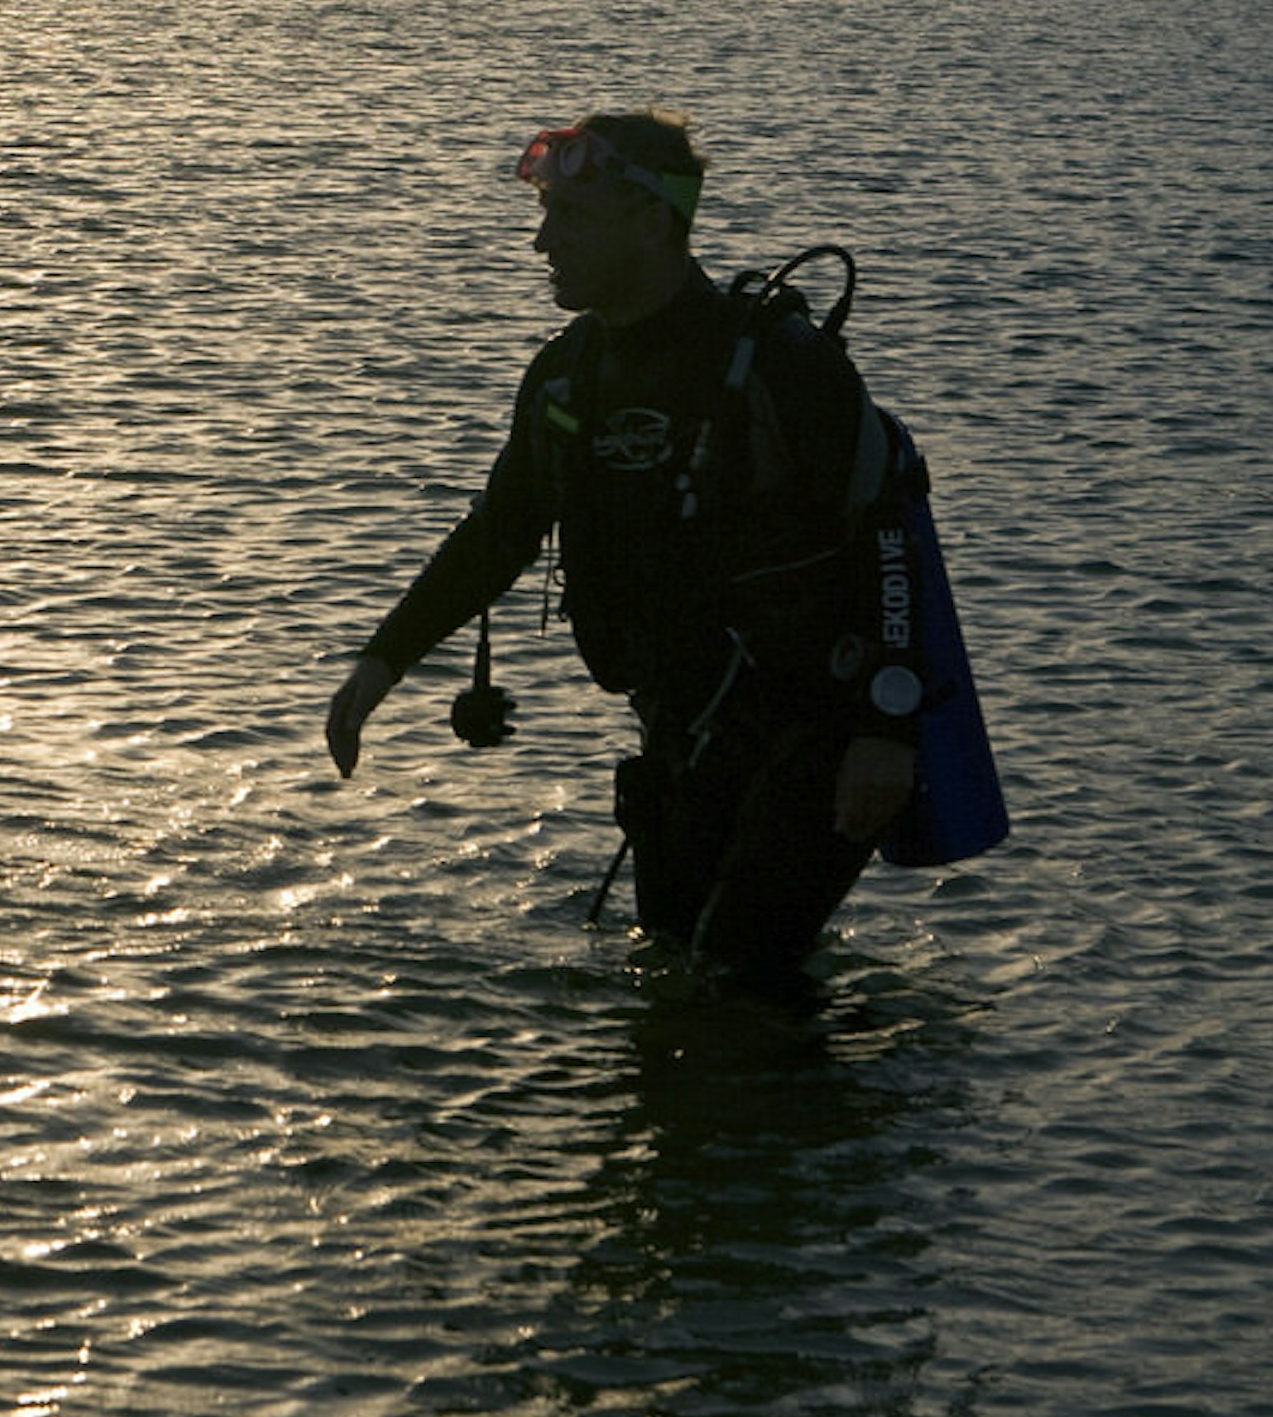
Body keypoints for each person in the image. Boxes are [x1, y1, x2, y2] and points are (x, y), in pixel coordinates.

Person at [324, 109, 915, 990]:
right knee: (675, 979)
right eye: (544, 216)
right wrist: (379, 664)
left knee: (732, 979)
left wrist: (886, 729)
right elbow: (501, 530)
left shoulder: (782, 365)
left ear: (650, 218)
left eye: (571, 218)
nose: (541, 244)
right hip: (679, 732)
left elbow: (888, 531)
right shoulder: (568, 375)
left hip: (818, 734)